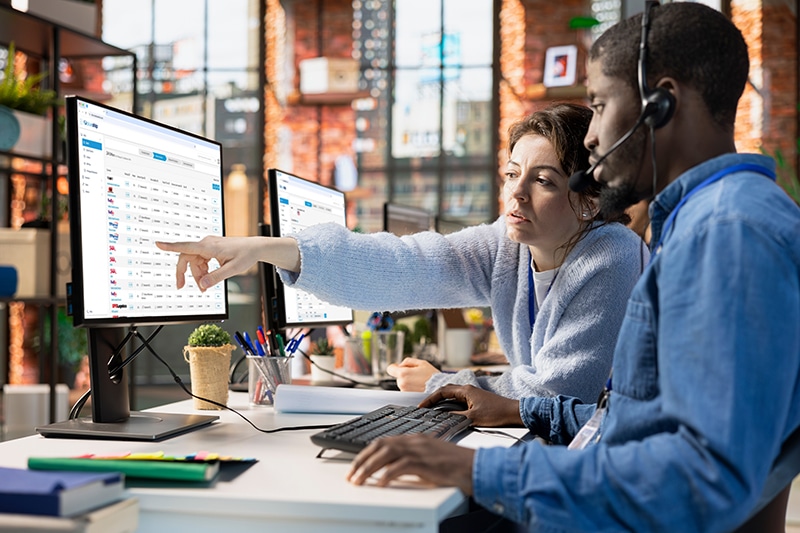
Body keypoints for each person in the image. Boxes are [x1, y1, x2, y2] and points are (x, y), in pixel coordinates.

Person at [345, 2, 800, 532]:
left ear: (662, 105)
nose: (590, 139)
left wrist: (481, 469)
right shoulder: (708, 220)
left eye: (601, 104)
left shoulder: (727, 233)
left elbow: (698, 479)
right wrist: (521, 410)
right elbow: (641, 424)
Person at [157, 103, 646, 403]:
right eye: (511, 174)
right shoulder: (508, 246)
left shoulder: (613, 255)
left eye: (542, 181)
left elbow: (558, 393)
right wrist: (270, 250)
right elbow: (406, 264)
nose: (516, 194)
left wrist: (442, 383)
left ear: (588, 201)